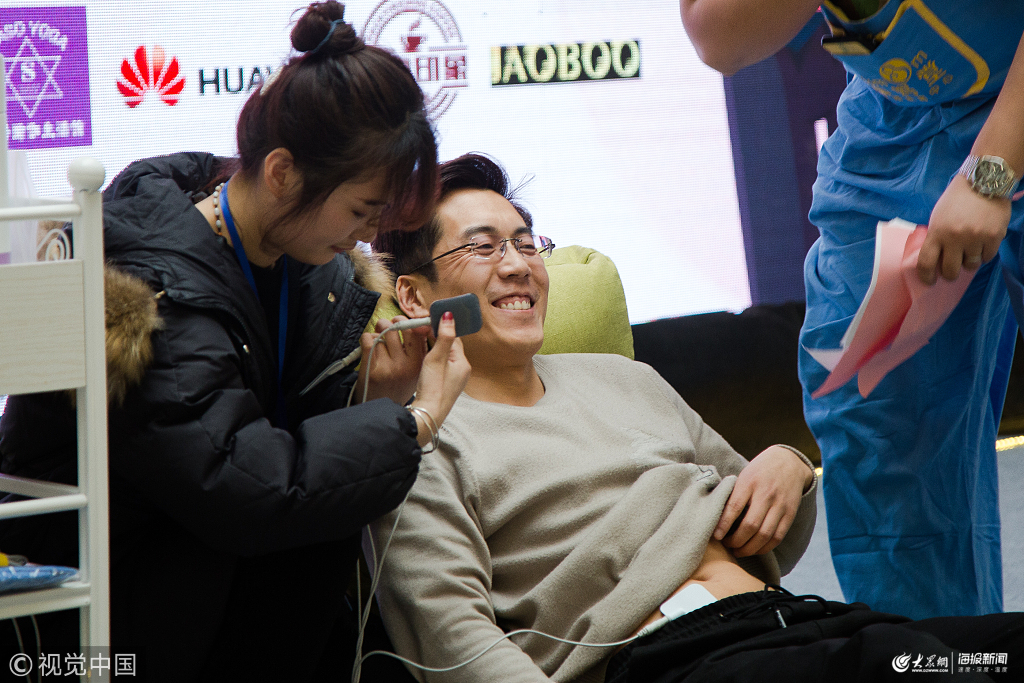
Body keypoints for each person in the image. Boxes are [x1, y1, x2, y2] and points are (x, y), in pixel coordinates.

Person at [367, 153, 1024, 683]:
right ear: (415, 296)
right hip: (673, 659)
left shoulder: (625, 378)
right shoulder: (415, 441)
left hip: (791, 625)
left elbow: (764, 534)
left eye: (524, 242)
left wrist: (788, 469)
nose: (517, 265)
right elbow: (456, 641)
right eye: (482, 249)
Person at [0, 3, 469, 680]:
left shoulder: (305, 264)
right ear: (282, 173)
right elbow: (246, 487)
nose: (368, 235)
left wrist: (372, 396)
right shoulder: (152, 295)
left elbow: (280, 431)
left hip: (216, 602)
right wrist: (413, 420)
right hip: (90, 634)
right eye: (361, 210)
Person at [680, 1, 1024, 618]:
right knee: (873, 412)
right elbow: (717, 37)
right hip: (902, 112)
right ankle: (940, 657)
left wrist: (990, 173)